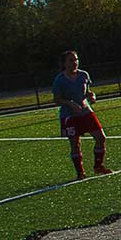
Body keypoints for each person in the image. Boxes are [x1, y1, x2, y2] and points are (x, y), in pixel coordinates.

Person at [51, 50, 108, 179]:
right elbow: (57, 100)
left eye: (76, 59)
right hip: (69, 116)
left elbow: (87, 91)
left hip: (85, 111)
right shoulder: (60, 80)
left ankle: (98, 166)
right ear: (64, 63)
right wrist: (70, 104)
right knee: (75, 143)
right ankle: (80, 172)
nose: (74, 63)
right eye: (71, 60)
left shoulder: (83, 75)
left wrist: (91, 96)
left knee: (101, 137)